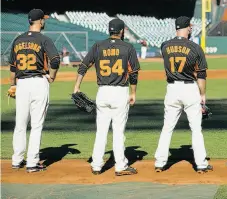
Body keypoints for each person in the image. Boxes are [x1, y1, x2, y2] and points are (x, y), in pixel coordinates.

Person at [73, 18, 140, 176]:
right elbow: (134, 73)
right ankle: (120, 166)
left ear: (109, 30)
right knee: (118, 132)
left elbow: (83, 66)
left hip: (102, 92)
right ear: (122, 31)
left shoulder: (98, 46)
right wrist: (133, 92)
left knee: (101, 131)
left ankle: (96, 165)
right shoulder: (128, 47)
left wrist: (76, 87)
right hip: (119, 92)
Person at [154, 16, 212, 173]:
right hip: (189, 89)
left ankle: (160, 162)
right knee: (195, 128)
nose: (191, 29)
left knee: (167, 127)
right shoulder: (195, 47)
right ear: (188, 28)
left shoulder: (164, 46)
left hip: (172, 89)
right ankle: (200, 164)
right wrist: (202, 95)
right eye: (190, 27)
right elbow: (201, 74)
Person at [9, 9, 60, 172]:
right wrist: (52, 76)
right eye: (43, 19)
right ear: (39, 21)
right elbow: (55, 60)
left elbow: (12, 67)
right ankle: (32, 162)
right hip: (38, 82)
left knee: (20, 124)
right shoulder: (44, 39)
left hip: (21, 83)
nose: (44, 21)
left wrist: (13, 84)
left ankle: (17, 160)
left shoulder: (18, 40)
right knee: (36, 125)